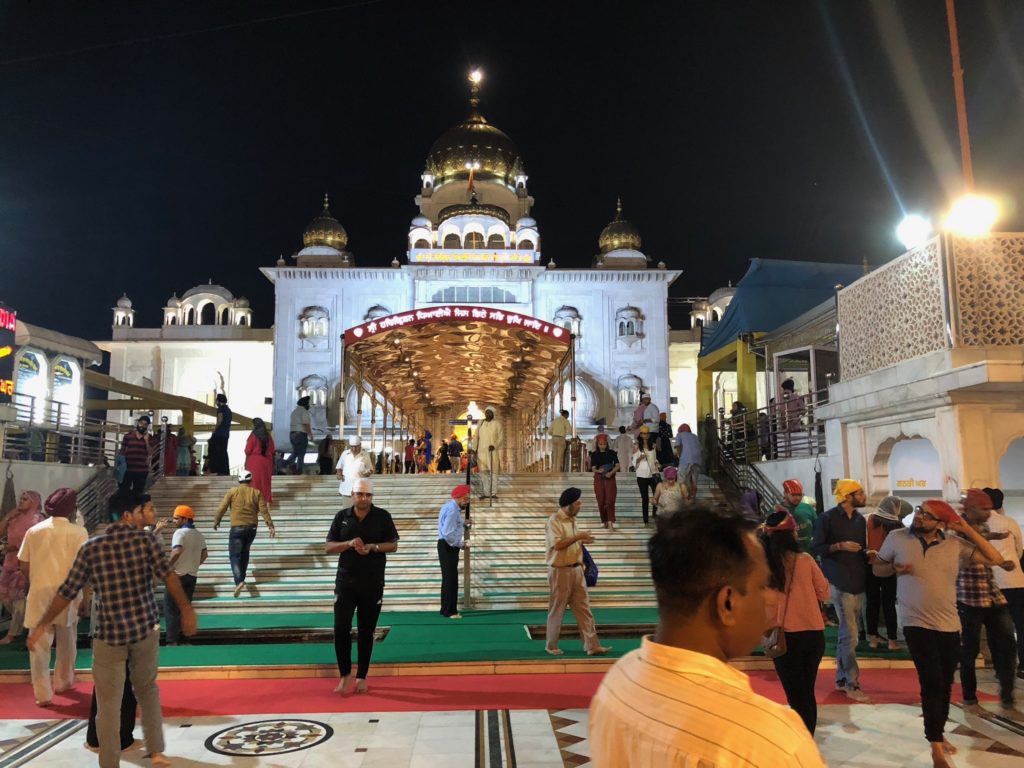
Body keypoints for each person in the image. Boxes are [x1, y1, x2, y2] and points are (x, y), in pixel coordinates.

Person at [589, 507, 824, 767]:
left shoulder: (618, 680)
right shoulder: (770, 740)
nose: (771, 597)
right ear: (727, 603)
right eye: (761, 587)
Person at [27, 491, 197, 768]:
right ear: (128, 515)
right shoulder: (146, 542)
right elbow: (168, 577)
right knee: (147, 690)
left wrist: (42, 624)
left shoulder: (92, 547)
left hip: (108, 635)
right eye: (144, 510)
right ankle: (156, 752)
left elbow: (67, 591)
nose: (148, 514)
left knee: (108, 704)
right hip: (143, 630)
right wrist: (187, 610)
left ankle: (110, 762)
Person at [874, 499, 1007, 767]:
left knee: (945, 683)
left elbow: (996, 559)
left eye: (928, 515)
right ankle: (935, 743)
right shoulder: (896, 537)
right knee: (932, 680)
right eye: (920, 511)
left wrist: (966, 530)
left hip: (948, 624)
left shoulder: (954, 544)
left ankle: (938, 732)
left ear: (942, 524)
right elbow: (878, 568)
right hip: (914, 622)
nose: (920, 516)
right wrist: (894, 569)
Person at [325, 478, 399, 694]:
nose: (364, 498)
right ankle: (345, 674)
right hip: (345, 582)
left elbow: (393, 545)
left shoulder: (382, 516)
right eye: (360, 494)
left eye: (368, 495)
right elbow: (328, 546)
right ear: (352, 495)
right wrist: (347, 544)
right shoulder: (342, 517)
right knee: (341, 629)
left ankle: (361, 676)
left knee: (367, 631)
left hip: (372, 582)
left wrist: (373, 547)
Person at [761, 509, 829, 734]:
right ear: (792, 534)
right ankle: (807, 738)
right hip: (813, 634)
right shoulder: (805, 560)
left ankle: (803, 741)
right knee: (807, 692)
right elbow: (824, 592)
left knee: (796, 694)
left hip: (783, 636)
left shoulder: (762, 565)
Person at [18, 488, 88, 705]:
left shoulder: (34, 531)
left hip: (39, 592)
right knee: (67, 641)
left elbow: (24, 563)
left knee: (39, 645)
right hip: (68, 593)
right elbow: (84, 567)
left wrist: (33, 582)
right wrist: (86, 595)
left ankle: (43, 694)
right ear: (71, 510)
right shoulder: (79, 533)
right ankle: (63, 682)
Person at [955, 488, 1017, 707]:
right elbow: (967, 554)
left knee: (1008, 642)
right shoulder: (956, 529)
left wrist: (992, 536)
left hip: (991, 593)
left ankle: (1007, 693)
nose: (989, 513)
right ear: (970, 509)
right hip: (969, 595)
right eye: (984, 509)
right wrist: (999, 562)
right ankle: (970, 696)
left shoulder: (981, 525)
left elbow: (982, 539)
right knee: (969, 649)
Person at [811, 478, 869, 701]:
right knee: (851, 636)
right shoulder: (826, 519)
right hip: (840, 582)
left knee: (848, 634)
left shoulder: (859, 520)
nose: (864, 496)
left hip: (858, 581)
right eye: (860, 492)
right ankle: (851, 682)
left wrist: (868, 554)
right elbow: (816, 547)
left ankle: (842, 678)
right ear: (848, 496)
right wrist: (838, 546)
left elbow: (861, 549)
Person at [545, 487, 610, 656]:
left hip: (577, 570)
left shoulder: (573, 520)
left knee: (584, 610)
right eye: (577, 503)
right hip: (560, 571)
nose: (580, 505)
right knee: (557, 609)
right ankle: (551, 646)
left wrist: (582, 541)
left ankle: (592, 645)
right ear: (569, 505)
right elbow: (558, 545)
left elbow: (572, 542)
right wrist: (578, 537)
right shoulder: (555, 520)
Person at [213, 470, 276, 598]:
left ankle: (239, 581)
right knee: (245, 553)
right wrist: (270, 525)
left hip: (237, 528)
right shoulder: (256, 493)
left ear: (239, 480)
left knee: (235, 556)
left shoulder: (232, 492)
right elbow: (264, 510)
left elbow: (222, 508)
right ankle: (242, 577)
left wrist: (216, 521)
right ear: (250, 480)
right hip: (252, 529)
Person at [985, 487, 1024, 678]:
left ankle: (1000, 667)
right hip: (1016, 580)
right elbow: (1019, 551)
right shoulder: (1011, 523)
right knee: (1020, 624)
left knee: (996, 626)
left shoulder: (979, 525)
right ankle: (1022, 665)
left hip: (993, 582)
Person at [0, 489, 45, 644]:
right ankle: (24, 623)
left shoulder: (38, 520)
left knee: (19, 600)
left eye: (25, 499)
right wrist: (8, 516)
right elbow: (1, 532)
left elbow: (36, 544)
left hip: (25, 564)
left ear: (34, 503)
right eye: (21, 498)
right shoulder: (15, 518)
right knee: (6, 597)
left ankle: (12, 634)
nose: (21, 501)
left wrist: (14, 548)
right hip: (10, 562)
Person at [866, 495, 909, 650]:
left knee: (872, 602)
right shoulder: (898, 525)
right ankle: (892, 641)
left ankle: (873, 639)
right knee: (889, 603)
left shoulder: (869, 519)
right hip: (890, 568)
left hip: (870, 565)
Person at [164, 505, 207, 646]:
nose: (174, 521)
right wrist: (194, 565)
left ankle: (172, 640)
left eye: (177, 518)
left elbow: (177, 551)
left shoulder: (179, 534)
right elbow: (205, 554)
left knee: (171, 608)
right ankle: (185, 639)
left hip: (177, 575)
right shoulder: (199, 535)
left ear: (185, 519)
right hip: (192, 575)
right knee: (186, 607)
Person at [437, 484, 470, 618]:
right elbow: (447, 533)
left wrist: (463, 525)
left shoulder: (449, 507)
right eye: (466, 499)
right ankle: (451, 611)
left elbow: (451, 527)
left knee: (447, 579)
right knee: (451, 579)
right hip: (448, 546)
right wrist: (461, 544)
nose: (467, 502)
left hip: (444, 545)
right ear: (460, 498)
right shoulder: (453, 511)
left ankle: (445, 608)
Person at [590, 433, 619, 530]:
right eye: (600, 444)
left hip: (610, 477)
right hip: (599, 478)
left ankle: (610, 521)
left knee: (610, 500)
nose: (602, 446)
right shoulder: (594, 454)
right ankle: (604, 520)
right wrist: (599, 471)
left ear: (607, 444)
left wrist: (611, 473)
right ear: (597, 444)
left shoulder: (612, 453)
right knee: (601, 500)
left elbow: (617, 466)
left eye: (604, 444)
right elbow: (593, 468)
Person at [474, 407, 504, 499]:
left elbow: (501, 438)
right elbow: (476, 436)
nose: (488, 414)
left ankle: (494, 493)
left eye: (490, 413)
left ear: (493, 414)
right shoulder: (480, 423)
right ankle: (486, 493)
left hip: (492, 452)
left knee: (494, 473)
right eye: (486, 412)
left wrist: (495, 445)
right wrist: (474, 448)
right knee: (483, 473)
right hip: (481, 452)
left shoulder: (497, 424)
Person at [244, 417, 275, 505]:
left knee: (254, 482)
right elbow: (272, 450)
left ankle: (254, 502)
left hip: (254, 462)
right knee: (265, 482)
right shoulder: (268, 436)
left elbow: (247, 450)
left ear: (255, 425)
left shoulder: (253, 436)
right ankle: (266, 501)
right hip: (267, 462)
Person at [779, 479, 816, 553]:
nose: (797, 498)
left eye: (800, 495)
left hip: (811, 554)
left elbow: (818, 528)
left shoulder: (807, 508)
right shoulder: (777, 511)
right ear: (785, 493)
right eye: (793, 495)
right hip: (789, 556)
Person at [632, 428, 659, 526]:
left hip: (653, 474)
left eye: (647, 433)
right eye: (643, 433)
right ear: (641, 435)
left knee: (657, 496)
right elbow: (634, 462)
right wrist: (640, 458)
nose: (645, 435)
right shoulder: (637, 446)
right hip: (641, 475)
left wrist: (657, 464)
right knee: (645, 498)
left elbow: (655, 459)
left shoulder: (653, 446)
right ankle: (646, 520)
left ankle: (655, 516)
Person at [119, 415, 152, 493]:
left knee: (138, 494)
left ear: (147, 426)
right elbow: (122, 451)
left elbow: (150, 452)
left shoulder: (149, 437)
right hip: (128, 470)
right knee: (124, 492)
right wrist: (120, 466)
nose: (142, 426)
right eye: (141, 423)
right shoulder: (128, 436)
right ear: (138, 423)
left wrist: (146, 440)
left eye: (145, 424)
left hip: (142, 470)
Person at [336, 436, 373, 501]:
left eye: (356, 446)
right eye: (352, 446)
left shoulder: (365, 455)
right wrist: (339, 474)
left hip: (360, 490)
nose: (353, 449)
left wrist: (367, 472)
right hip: (346, 489)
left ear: (360, 445)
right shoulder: (345, 454)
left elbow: (370, 469)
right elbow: (339, 467)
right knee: (346, 510)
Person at [674, 424, 702, 500]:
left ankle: (685, 499)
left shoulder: (679, 435)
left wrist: (680, 457)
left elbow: (678, 446)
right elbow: (700, 449)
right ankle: (692, 498)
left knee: (681, 480)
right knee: (693, 480)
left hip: (685, 459)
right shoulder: (694, 436)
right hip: (697, 460)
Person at [286, 395, 313, 473]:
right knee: (300, 453)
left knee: (297, 451)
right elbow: (306, 424)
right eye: (308, 403)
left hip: (292, 434)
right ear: (306, 404)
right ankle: (287, 465)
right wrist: (310, 434)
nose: (309, 405)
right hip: (300, 435)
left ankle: (290, 466)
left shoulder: (294, 412)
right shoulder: (304, 411)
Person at [207, 393, 232, 475]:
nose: (216, 402)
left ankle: (215, 470)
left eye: (216, 400)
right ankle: (224, 470)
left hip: (219, 434)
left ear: (219, 401)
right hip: (225, 434)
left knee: (213, 450)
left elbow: (220, 420)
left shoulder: (221, 409)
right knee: (223, 452)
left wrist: (214, 429)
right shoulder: (228, 410)